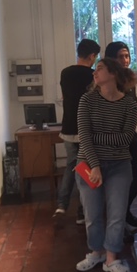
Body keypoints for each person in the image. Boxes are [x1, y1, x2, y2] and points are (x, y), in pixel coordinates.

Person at [75, 58, 137, 272]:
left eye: (100, 68)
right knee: (92, 215)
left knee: (117, 214)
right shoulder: (87, 100)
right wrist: (95, 166)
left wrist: (96, 137)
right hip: (89, 165)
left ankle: (111, 258)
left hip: (120, 166)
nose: (95, 72)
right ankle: (96, 252)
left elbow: (126, 139)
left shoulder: (129, 103)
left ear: (113, 73)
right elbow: (84, 137)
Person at [54, 39, 100, 223]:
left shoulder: (65, 73)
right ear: (91, 56)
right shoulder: (93, 75)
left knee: (71, 166)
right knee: (86, 169)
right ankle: (82, 211)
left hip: (68, 127)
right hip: (86, 128)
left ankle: (61, 206)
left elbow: (65, 97)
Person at [104, 41, 137, 239]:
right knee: (117, 183)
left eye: (127, 55)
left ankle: (124, 213)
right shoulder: (107, 82)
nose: (125, 60)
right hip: (113, 140)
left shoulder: (129, 79)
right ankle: (117, 224)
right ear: (112, 59)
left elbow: (133, 104)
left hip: (130, 136)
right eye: (121, 56)